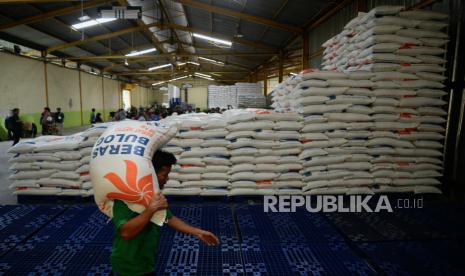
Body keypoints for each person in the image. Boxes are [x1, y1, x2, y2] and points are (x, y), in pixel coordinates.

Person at [111, 150, 219, 275]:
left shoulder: (152, 196)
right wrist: (151, 210)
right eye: (165, 174)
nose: (167, 179)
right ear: (152, 174)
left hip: (145, 263)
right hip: (127, 267)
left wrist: (197, 232)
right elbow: (125, 232)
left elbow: (168, 218)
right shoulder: (125, 198)